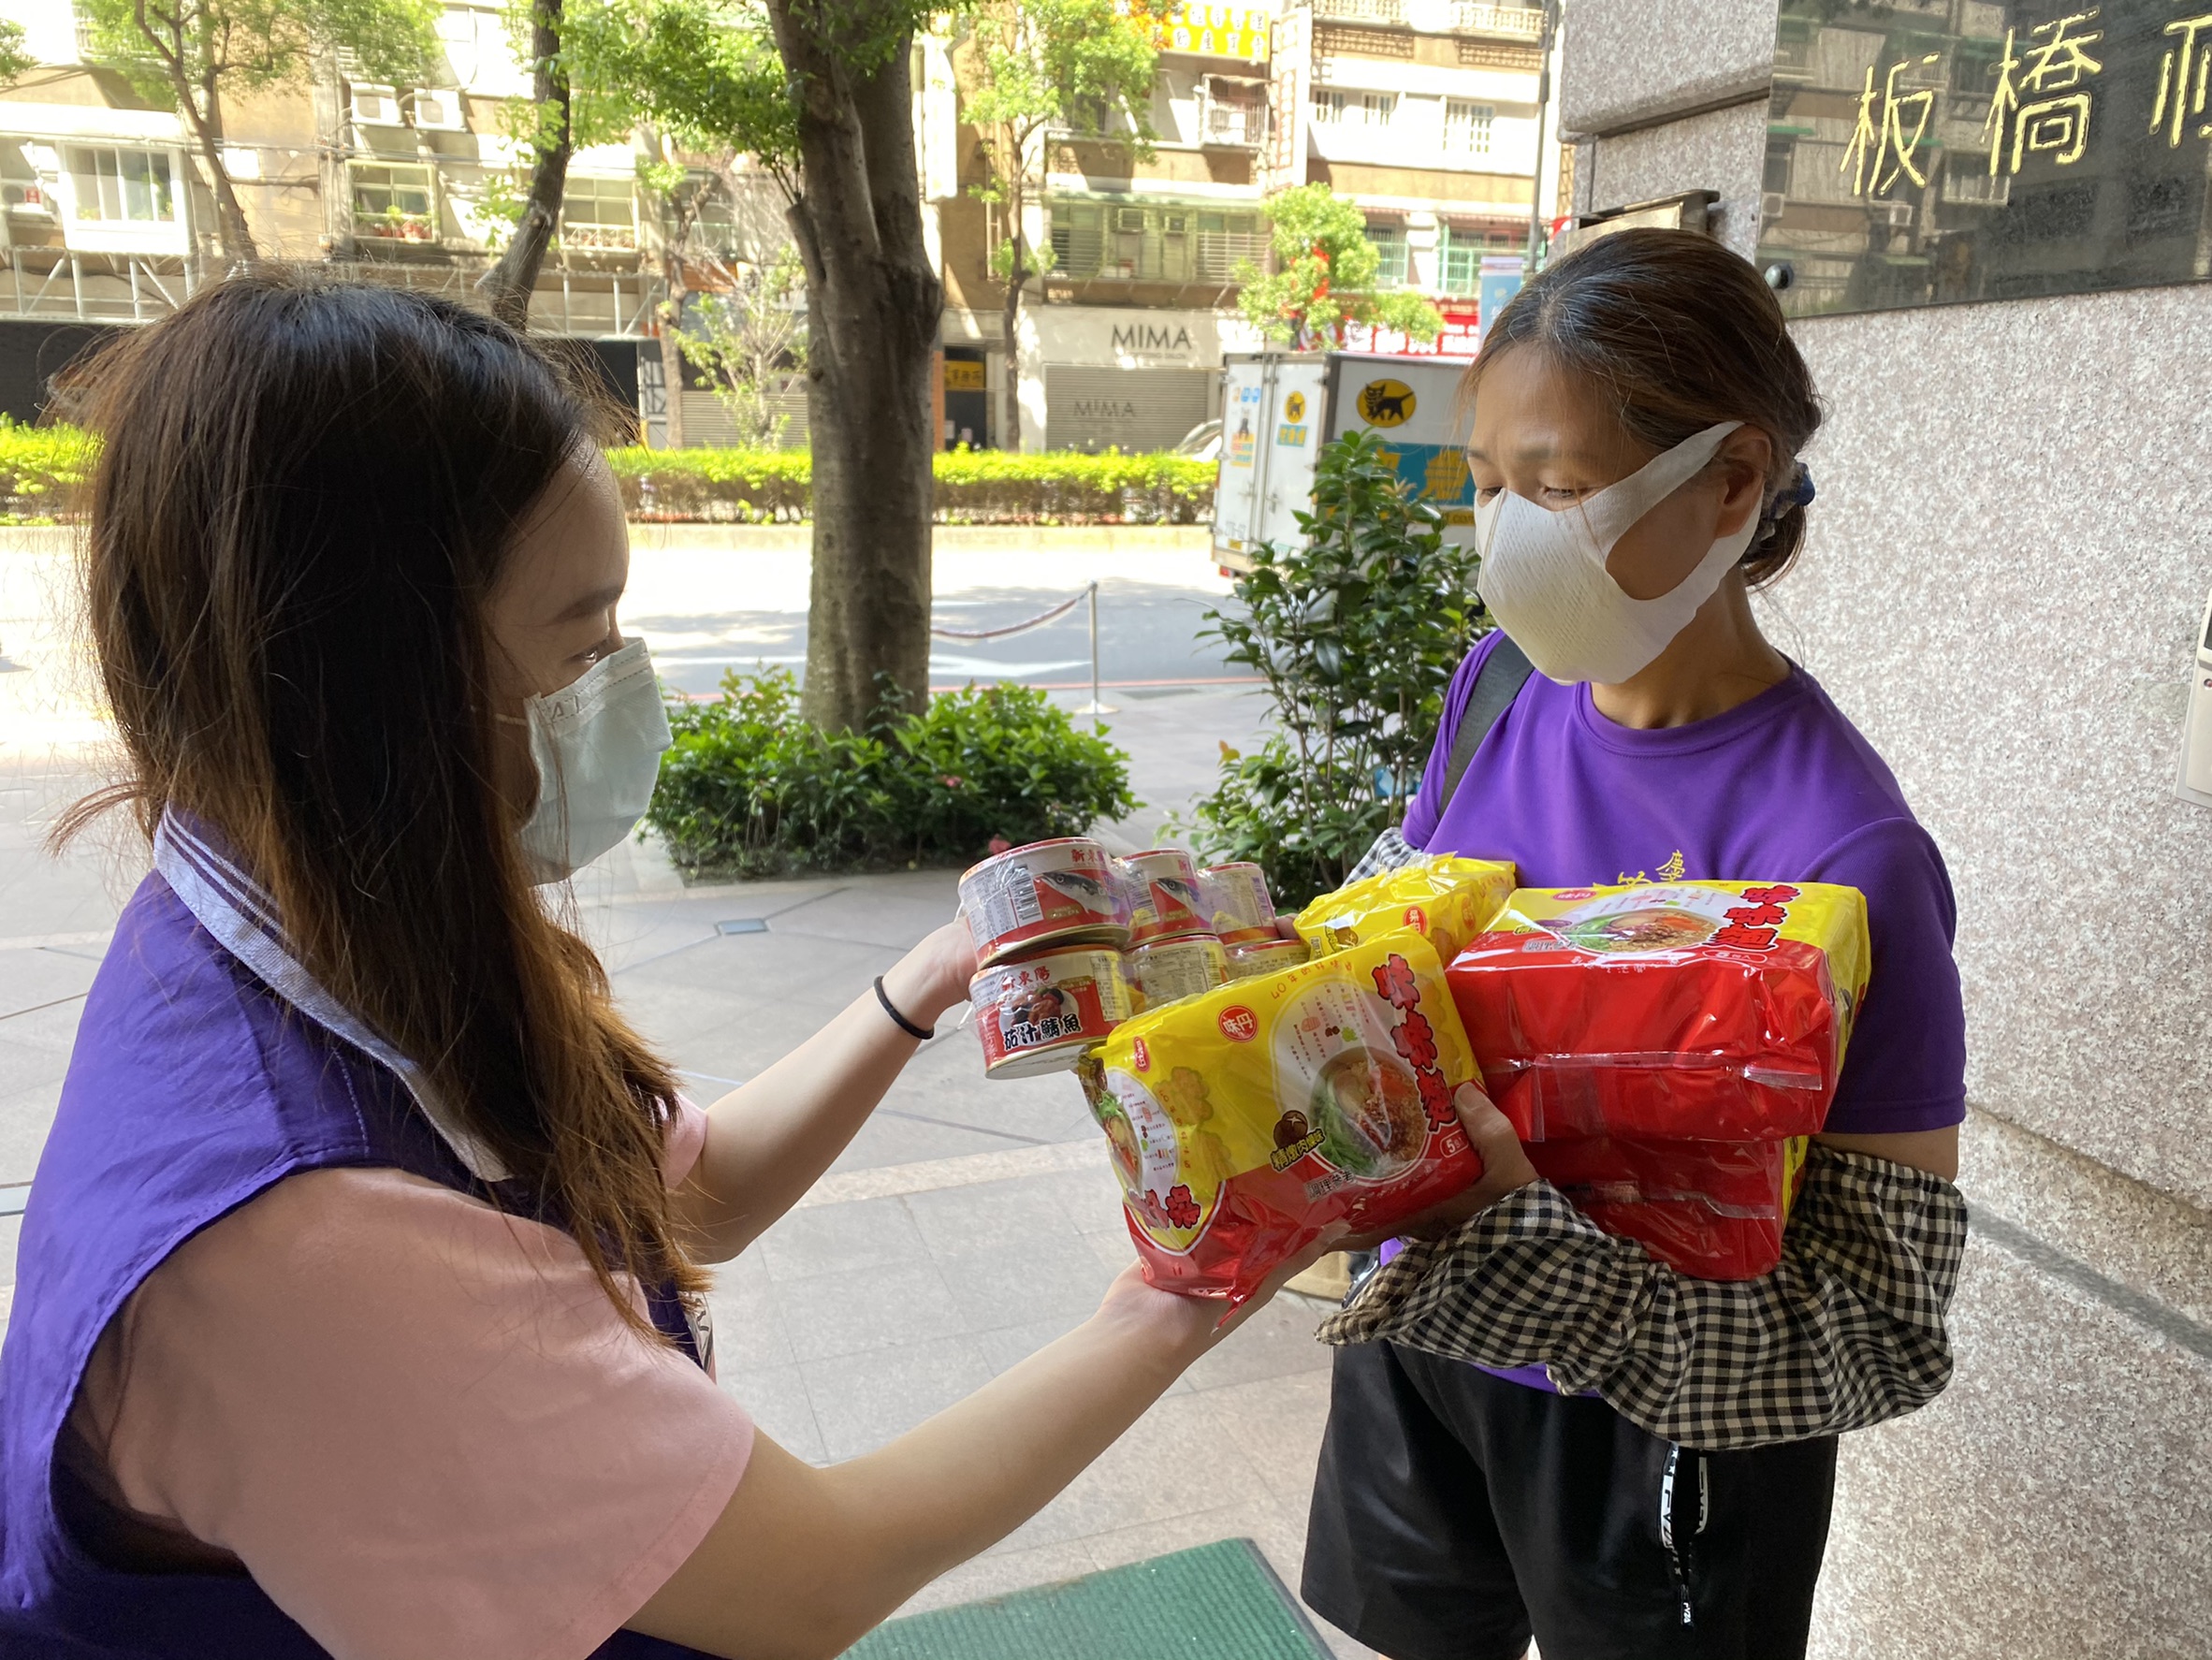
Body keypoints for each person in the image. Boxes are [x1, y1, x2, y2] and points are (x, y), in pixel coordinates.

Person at [0, 275, 1332, 1659]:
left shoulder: (283, 931)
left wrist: (933, 973)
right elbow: (815, 1577)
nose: (625, 680)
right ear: (375, 695)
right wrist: (1198, 1277)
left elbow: (688, 1200)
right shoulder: (301, 1248)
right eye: (583, 640)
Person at [1298, 229, 1971, 1660]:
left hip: (1671, 1436)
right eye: (1485, 486)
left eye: (1555, 488)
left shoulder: (1846, 855)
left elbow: (1878, 1323)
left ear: (1733, 480)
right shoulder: (1496, 692)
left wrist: (1543, 1256)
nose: (1506, 535)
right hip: (1422, 1346)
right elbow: (1397, 942)